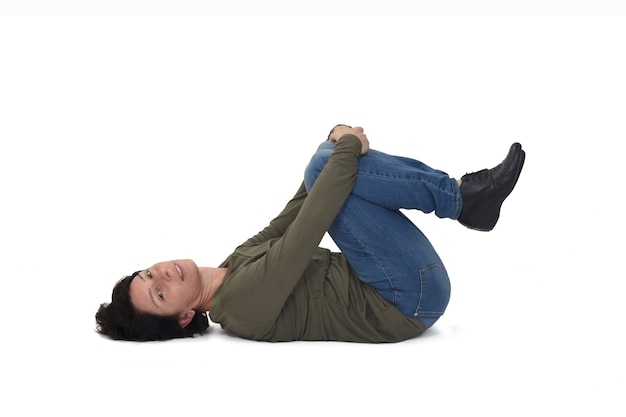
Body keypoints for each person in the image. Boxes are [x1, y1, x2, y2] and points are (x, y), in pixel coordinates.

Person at [95, 124, 525, 343]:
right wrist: (346, 148)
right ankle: (463, 200)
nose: (161, 277)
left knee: (326, 165)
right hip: (407, 300)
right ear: (185, 317)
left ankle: (466, 199)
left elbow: (295, 210)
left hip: (402, 281)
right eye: (159, 295)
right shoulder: (240, 307)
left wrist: (332, 139)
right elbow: (307, 229)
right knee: (331, 167)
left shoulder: (232, 265)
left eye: (148, 275)